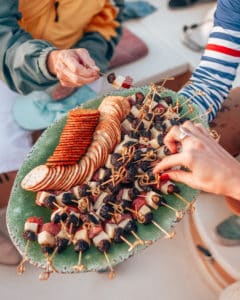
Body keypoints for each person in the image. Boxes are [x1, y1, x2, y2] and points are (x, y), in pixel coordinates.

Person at [0, 0, 124, 265]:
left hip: (70, 61)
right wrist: (49, 62)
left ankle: (91, 228)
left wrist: (89, 58)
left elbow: (107, 19)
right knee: (5, 148)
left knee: (96, 143)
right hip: (11, 63)